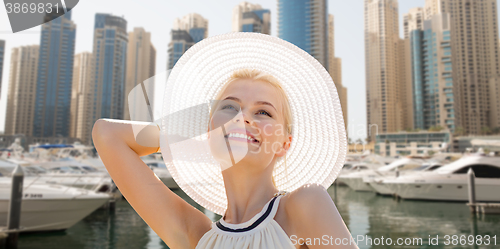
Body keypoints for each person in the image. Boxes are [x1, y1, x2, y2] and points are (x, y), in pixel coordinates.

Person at [93, 32, 358, 249]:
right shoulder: (196, 236)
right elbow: (107, 134)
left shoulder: (304, 206)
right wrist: (213, 142)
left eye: (263, 112)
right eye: (230, 107)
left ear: (284, 143)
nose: (243, 118)